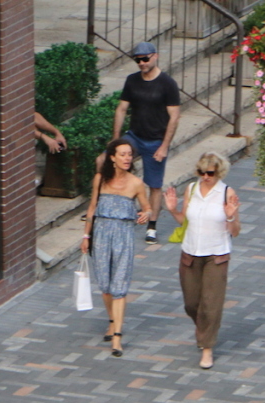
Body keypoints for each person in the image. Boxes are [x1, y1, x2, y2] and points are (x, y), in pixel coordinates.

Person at [162, 153, 240, 370]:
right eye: (201, 172)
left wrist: (231, 216)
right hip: (190, 253)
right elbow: (184, 220)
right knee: (192, 303)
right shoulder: (191, 190)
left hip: (216, 255)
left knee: (211, 304)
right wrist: (172, 209)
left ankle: (207, 348)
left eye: (210, 173)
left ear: (219, 172)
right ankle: (205, 330)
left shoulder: (226, 192)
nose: (206, 177)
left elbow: (235, 231)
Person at [81, 138, 151, 357]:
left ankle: (117, 338)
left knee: (119, 285)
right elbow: (92, 207)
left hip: (123, 234)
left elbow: (147, 208)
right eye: (122, 154)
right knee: (105, 284)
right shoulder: (100, 180)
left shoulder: (136, 183)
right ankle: (112, 321)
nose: (127, 158)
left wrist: (145, 214)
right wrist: (86, 235)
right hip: (101, 233)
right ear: (112, 157)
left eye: (129, 154)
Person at [114, 41, 180, 245]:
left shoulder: (167, 84)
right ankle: (111, 208)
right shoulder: (132, 80)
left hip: (155, 140)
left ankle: (151, 225)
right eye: (138, 60)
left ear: (155, 56)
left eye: (145, 59)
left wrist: (164, 146)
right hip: (134, 135)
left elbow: (174, 116)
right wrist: (116, 141)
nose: (141, 63)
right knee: (106, 162)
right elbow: (121, 109)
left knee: (154, 185)